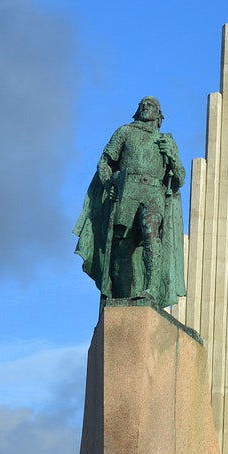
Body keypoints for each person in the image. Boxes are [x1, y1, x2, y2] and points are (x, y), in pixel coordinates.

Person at [74, 97, 186, 309]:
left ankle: (151, 290)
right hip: (128, 190)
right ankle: (122, 297)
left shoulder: (166, 140)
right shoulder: (125, 131)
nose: (145, 107)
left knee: (151, 232)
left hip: (153, 192)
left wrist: (171, 156)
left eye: (150, 105)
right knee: (122, 247)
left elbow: (179, 178)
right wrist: (109, 185)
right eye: (142, 105)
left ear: (158, 115)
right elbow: (104, 163)